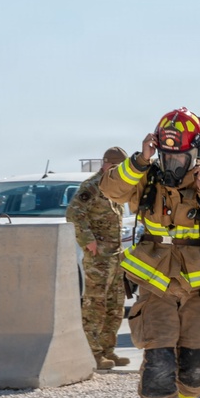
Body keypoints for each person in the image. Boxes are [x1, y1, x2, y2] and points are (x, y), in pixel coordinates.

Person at [101, 108, 200, 398]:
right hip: (156, 280)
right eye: (167, 155)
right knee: (160, 354)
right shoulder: (145, 174)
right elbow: (112, 190)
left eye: (180, 157)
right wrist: (139, 161)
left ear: (195, 152)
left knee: (198, 367)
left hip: (197, 284)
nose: (173, 163)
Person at [67, 148, 130, 371]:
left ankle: (107, 350)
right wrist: (88, 241)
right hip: (98, 256)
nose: (119, 171)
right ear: (105, 164)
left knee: (115, 305)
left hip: (115, 254)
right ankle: (92, 353)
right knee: (96, 304)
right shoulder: (92, 186)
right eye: (115, 166)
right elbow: (74, 213)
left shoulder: (116, 187)